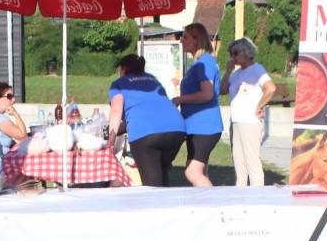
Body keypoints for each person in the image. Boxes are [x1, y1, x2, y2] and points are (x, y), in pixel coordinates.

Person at [107, 54, 186, 187]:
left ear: (124, 68)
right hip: (176, 129)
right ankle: (168, 205)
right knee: (162, 173)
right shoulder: (153, 79)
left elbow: (116, 112)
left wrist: (110, 141)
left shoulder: (119, 84)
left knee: (153, 185)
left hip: (146, 135)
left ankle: (158, 206)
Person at [220, 36, 277, 186]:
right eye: (231, 54)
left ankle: (257, 193)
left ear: (247, 52)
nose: (233, 57)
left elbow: (270, 88)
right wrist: (228, 71)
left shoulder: (257, 69)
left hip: (250, 121)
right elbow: (223, 90)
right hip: (236, 120)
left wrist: (259, 106)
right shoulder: (236, 73)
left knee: (252, 160)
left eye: (236, 53)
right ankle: (241, 191)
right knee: (238, 161)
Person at [173, 23, 222, 186]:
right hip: (197, 126)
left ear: (197, 39)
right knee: (199, 171)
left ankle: (218, 207)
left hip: (204, 126)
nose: (181, 41)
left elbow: (207, 94)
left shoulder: (204, 62)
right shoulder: (201, 62)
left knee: (192, 172)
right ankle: (205, 206)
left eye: (185, 37)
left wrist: (180, 99)